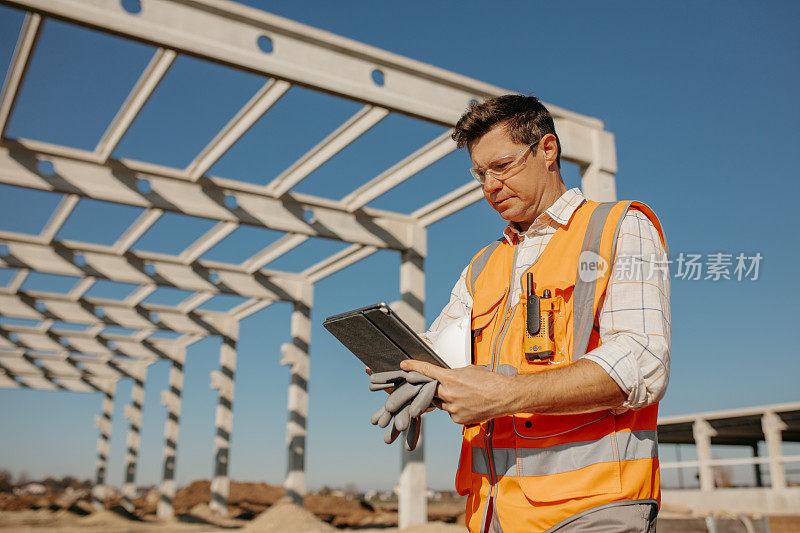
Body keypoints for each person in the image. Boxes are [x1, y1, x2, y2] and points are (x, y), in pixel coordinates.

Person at [397, 95, 671, 532]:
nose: (489, 186)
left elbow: (641, 362)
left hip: (592, 510)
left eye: (502, 166)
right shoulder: (482, 266)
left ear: (547, 149)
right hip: (492, 513)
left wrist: (505, 393)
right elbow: (442, 355)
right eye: (480, 174)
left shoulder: (618, 228)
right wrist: (412, 374)